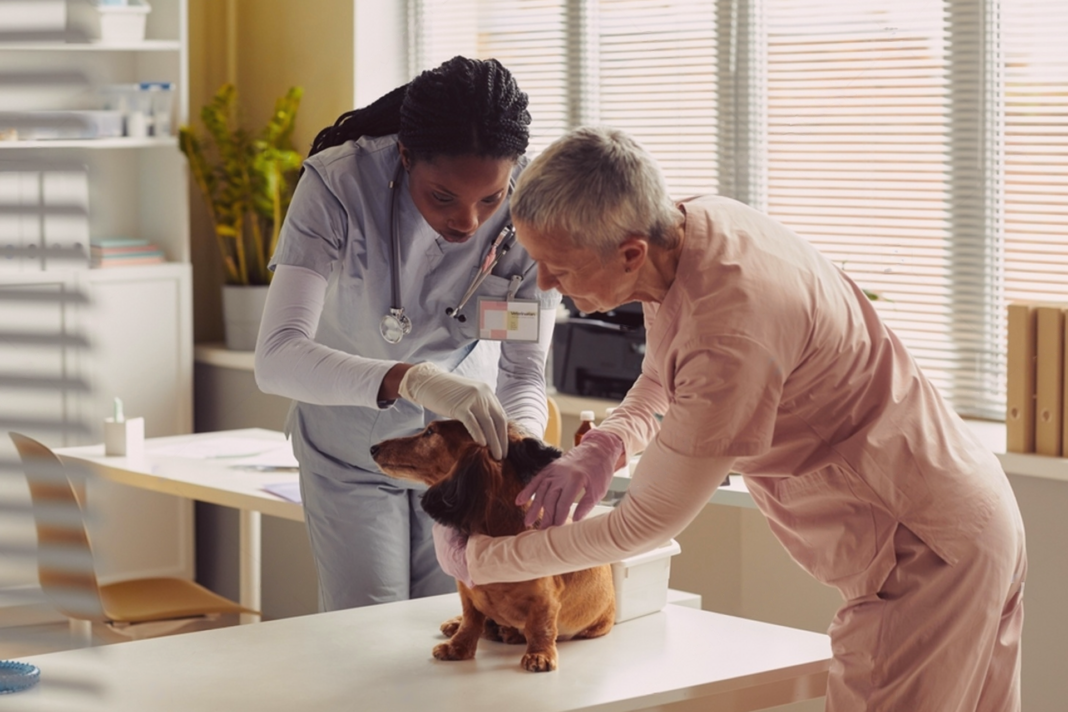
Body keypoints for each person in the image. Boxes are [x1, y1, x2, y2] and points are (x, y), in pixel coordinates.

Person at [432, 126, 1026, 711]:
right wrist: (608, 444)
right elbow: (665, 373)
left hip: (925, 548)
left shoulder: (731, 332)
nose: (545, 284)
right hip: (969, 513)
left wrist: (483, 559)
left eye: (557, 266)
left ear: (629, 251)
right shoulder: (695, 226)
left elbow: (640, 527)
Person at [254, 56, 559, 611]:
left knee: (450, 621)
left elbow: (521, 371)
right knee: (370, 628)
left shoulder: (531, 207)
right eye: (443, 197)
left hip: (460, 466)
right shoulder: (339, 185)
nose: (469, 222)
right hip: (351, 452)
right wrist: (411, 379)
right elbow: (277, 356)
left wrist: (515, 456)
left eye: (489, 199)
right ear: (405, 155)